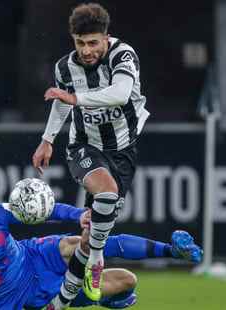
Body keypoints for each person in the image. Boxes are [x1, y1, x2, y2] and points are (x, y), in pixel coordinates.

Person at [0, 179, 202, 310]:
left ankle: (172, 250)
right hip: (25, 301)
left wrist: (79, 215)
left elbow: (42, 209)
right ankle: (100, 297)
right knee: (127, 280)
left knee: (79, 241)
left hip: (35, 257)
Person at [31, 3, 150, 306]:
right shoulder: (64, 68)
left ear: (106, 37)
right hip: (84, 147)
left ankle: (61, 302)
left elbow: (121, 93)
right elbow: (60, 105)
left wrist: (74, 98)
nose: (86, 50)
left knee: (89, 233)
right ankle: (97, 261)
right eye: (80, 43)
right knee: (106, 193)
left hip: (122, 152)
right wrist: (47, 140)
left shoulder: (123, 55)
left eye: (93, 42)